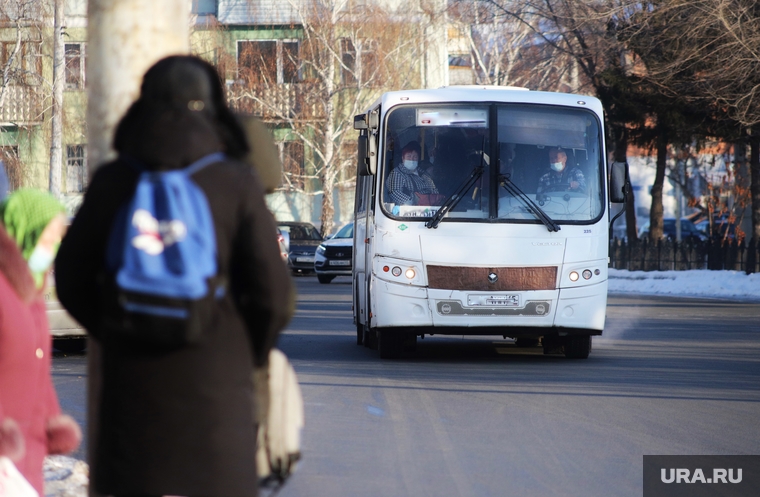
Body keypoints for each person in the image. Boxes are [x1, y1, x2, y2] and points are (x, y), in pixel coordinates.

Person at [55, 55, 292, 497]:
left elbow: (69, 277)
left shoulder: (114, 180)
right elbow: (274, 297)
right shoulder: (235, 181)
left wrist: (116, 327)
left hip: (131, 407)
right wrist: (245, 351)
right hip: (217, 404)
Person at [0, 188, 82, 496]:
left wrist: (52, 421)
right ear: (25, 232)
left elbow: (39, 372)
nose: (52, 250)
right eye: (49, 239)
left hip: (30, 452)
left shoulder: (33, 293)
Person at [386, 141, 439, 205]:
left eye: (415, 157)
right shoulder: (396, 173)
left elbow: (434, 190)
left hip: (430, 210)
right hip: (409, 210)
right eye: (409, 156)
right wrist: (412, 202)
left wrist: (436, 199)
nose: (412, 159)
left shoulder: (424, 174)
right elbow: (394, 192)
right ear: (403, 158)